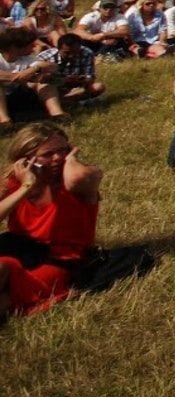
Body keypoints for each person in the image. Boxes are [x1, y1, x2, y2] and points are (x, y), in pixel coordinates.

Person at [0, 125, 102, 316]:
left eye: (63, 150)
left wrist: (72, 159)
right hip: (20, 250)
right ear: (26, 160)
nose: (58, 158)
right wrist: (25, 187)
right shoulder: (15, 182)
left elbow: (81, 177)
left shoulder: (76, 183)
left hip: (59, 259)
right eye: (48, 154)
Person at [0, 26, 67, 124]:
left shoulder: (27, 59)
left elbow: (52, 66)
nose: (33, 48)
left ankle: (57, 114)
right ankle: (4, 121)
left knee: (44, 81)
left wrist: (33, 70)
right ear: (15, 47)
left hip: (18, 97)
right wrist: (20, 77)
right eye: (30, 45)